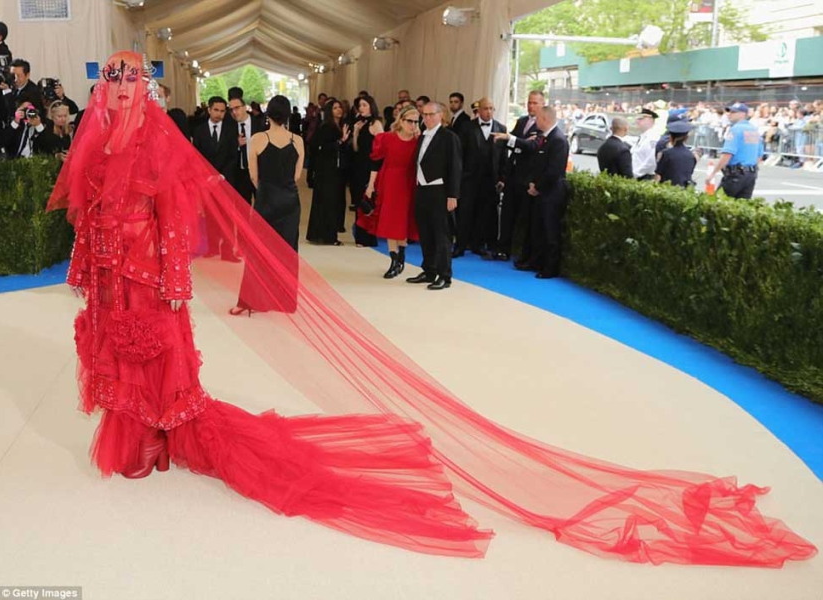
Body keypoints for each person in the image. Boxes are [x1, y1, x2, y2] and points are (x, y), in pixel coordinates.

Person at [45, 50, 818, 569]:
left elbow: (178, 213)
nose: (120, 97)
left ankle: (157, 437)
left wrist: (169, 274)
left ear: (144, 91)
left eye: (130, 87)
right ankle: (142, 436)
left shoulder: (158, 143)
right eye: (113, 88)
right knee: (121, 357)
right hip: (116, 279)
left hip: (149, 279)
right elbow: (85, 213)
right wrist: (95, 266)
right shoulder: (95, 142)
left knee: (155, 356)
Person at [230, 95, 303, 315]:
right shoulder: (297, 140)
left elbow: (254, 176)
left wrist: (266, 189)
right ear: (288, 115)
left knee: (258, 251)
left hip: (266, 200)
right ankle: (285, 300)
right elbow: (297, 175)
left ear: (268, 114)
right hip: (290, 201)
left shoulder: (258, 139)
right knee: (287, 250)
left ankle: (250, 301)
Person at [494, 106, 569, 279]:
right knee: (538, 229)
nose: (535, 121)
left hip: (551, 193)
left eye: (538, 118)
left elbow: (554, 171)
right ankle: (535, 262)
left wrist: (538, 187)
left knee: (550, 231)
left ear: (544, 119)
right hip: (540, 191)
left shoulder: (558, 140)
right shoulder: (546, 138)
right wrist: (533, 183)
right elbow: (538, 164)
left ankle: (550, 268)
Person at [359, 104, 421, 278]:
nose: (413, 125)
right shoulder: (386, 138)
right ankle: (394, 259)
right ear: (400, 121)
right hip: (389, 182)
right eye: (410, 121)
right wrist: (371, 185)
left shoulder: (419, 141)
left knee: (403, 221)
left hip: (409, 184)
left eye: (416, 122)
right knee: (389, 221)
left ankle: (401, 257)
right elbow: (375, 163)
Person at [406, 102, 462, 291]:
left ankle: (444, 275)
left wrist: (453, 195)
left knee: (442, 235)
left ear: (441, 115)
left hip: (440, 191)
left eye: (431, 114)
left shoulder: (449, 137)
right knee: (425, 233)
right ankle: (429, 270)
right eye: (424, 114)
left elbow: (455, 167)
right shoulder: (422, 136)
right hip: (422, 190)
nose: (427, 118)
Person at [492, 90, 544, 262]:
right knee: (507, 215)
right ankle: (503, 249)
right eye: (529, 102)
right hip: (513, 176)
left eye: (535, 103)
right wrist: (518, 143)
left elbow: (532, 147)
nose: (531, 106)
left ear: (542, 104)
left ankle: (522, 254)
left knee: (525, 218)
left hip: (528, 179)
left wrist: (515, 141)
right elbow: (512, 143)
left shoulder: (543, 125)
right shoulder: (521, 121)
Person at [455, 97, 507, 258]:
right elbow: (460, 154)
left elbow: (503, 156)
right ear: (478, 110)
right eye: (485, 108)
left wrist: (502, 178)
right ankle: (460, 246)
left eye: (491, 108)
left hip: (490, 180)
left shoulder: (501, 128)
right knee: (465, 213)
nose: (489, 112)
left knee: (484, 214)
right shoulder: (467, 127)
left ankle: (478, 245)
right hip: (469, 179)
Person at [192, 96, 240, 262]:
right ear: (209, 110)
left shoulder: (231, 129)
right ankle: (212, 247)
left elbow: (233, 156)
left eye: (222, 111)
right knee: (210, 215)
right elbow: (196, 156)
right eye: (216, 110)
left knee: (228, 217)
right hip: (205, 180)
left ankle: (228, 251)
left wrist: (220, 175)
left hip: (225, 179)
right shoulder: (199, 130)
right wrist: (206, 176)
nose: (219, 114)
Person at [306, 99, 349, 245]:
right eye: (335, 108)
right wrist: (340, 141)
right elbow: (319, 147)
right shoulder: (326, 127)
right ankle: (328, 236)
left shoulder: (341, 126)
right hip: (326, 171)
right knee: (328, 202)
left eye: (340, 107)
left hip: (337, 170)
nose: (339, 110)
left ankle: (327, 234)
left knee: (333, 202)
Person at [706, 102, 763, 199]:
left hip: (735, 174)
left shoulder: (736, 129)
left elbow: (727, 154)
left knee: (719, 202)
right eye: (729, 111)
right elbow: (759, 155)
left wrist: (713, 173)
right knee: (742, 204)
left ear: (743, 114)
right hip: (750, 174)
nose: (730, 114)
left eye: (733, 112)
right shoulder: (754, 130)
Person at [350, 95, 384, 248]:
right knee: (359, 200)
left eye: (364, 105)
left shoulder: (376, 123)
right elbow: (356, 148)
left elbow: (381, 148)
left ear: (371, 106)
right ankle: (360, 237)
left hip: (370, 167)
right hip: (358, 165)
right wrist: (356, 132)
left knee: (368, 200)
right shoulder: (360, 123)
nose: (361, 108)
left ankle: (367, 237)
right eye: (359, 106)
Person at [228, 93, 266, 204]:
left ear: (245, 107)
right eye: (231, 110)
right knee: (243, 206)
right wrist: (236, 145)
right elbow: (226, 151)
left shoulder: (259, 124)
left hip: (259, 172)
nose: (234, 112)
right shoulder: (229, 127)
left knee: (262, 205)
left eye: (237, 108)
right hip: (240, 173)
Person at [656, 120, 697, 188]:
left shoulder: (666, 154)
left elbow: (658, 174)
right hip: (684, 189)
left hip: (667, 188)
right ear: (686, 138)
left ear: (671, 138)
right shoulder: (691, 155)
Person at [632, 107, 659, 180]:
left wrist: (635, 174)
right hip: (638, 176)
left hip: (644, 177)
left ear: (651, 120)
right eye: (637, 118)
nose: (637, 121)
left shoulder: (653, 138)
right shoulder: (643, 136)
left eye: (641, 118)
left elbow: (651, 162)